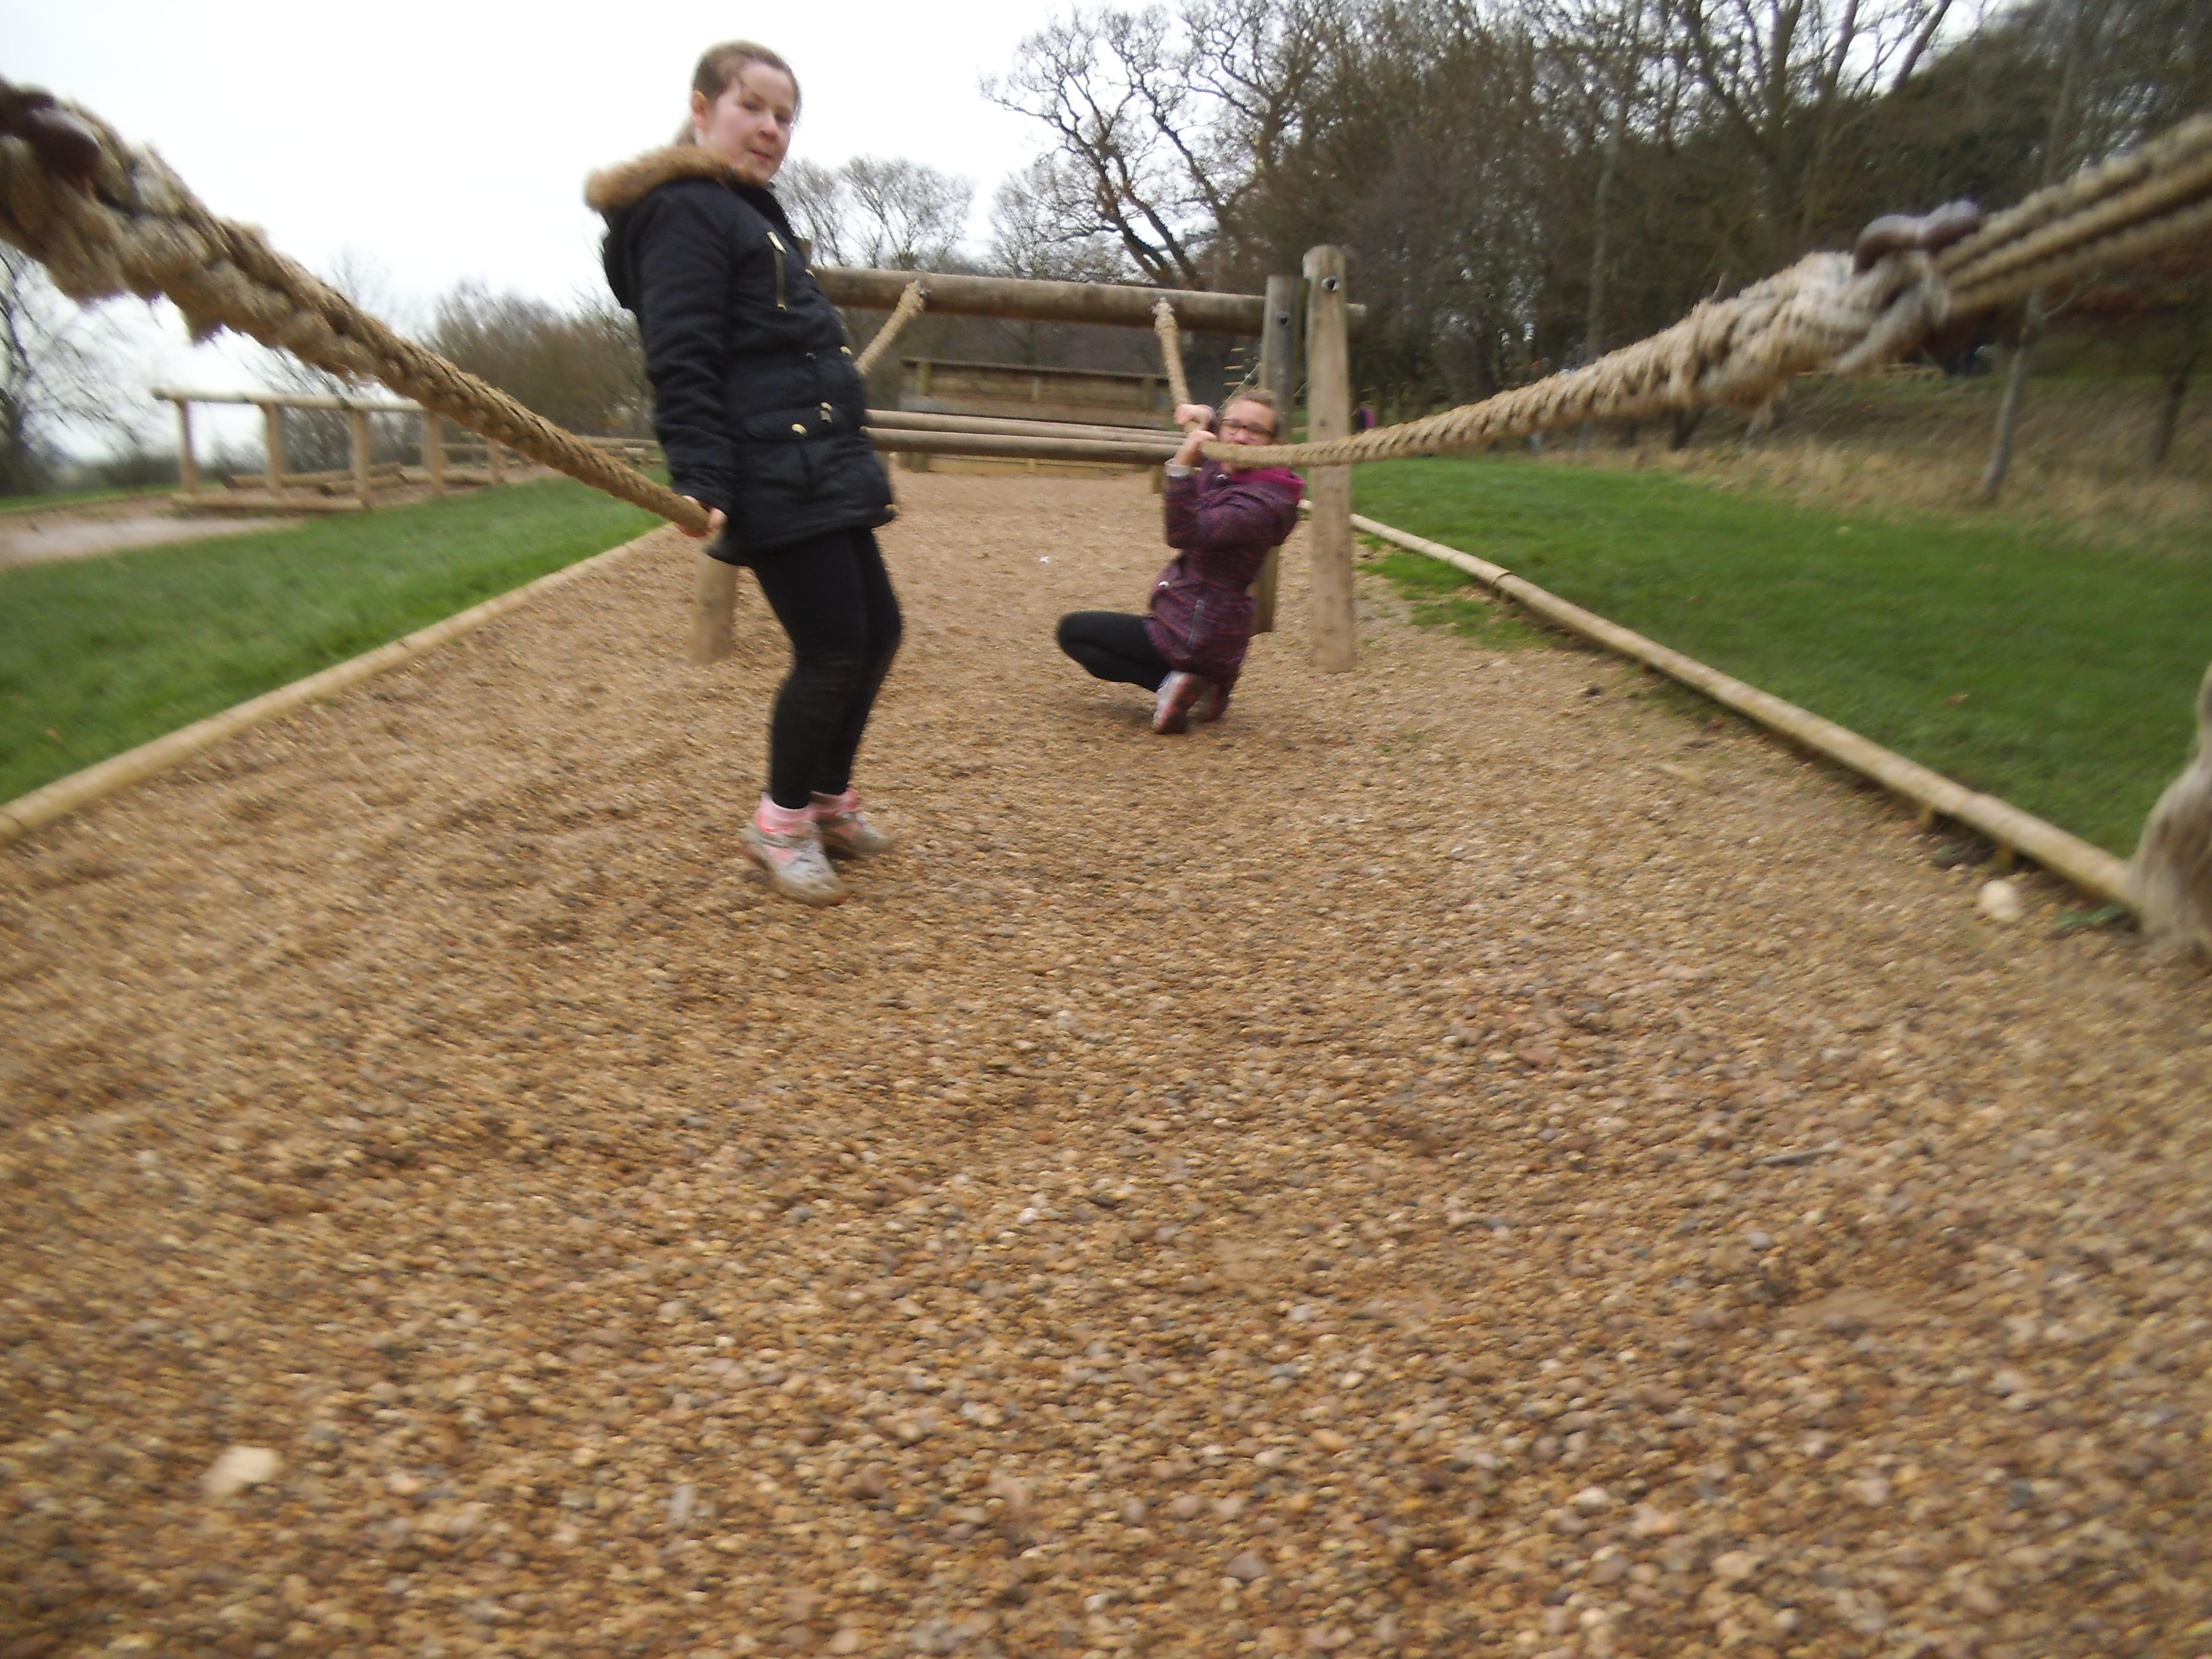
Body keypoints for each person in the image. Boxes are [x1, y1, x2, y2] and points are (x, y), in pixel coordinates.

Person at [589, 41, 900, 907]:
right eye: (752, 107)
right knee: (832, 649)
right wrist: (698, 474)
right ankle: (781, 821)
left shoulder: (744, 210)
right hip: (768, 463)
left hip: (817, 454)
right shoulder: (685, 210)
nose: (771, 129)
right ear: (701, 109)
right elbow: (681, 353)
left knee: (878, 632)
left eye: (785, 116)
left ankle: (828, 801)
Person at [1056, 389, 1304, 733]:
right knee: (1095, 647)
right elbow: (1221, 440)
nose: (1239, 438)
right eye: (1233, 426)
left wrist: (1181, 467)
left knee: (1074, 633)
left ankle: (1174, 684)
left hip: (1196, 632)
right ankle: (1202, 686)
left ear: (1273, 446)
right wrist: (1205, 416)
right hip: (1204, 628)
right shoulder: (1241, 472)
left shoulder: (1259, 505)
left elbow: (1185, 533)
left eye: (1255, 431)